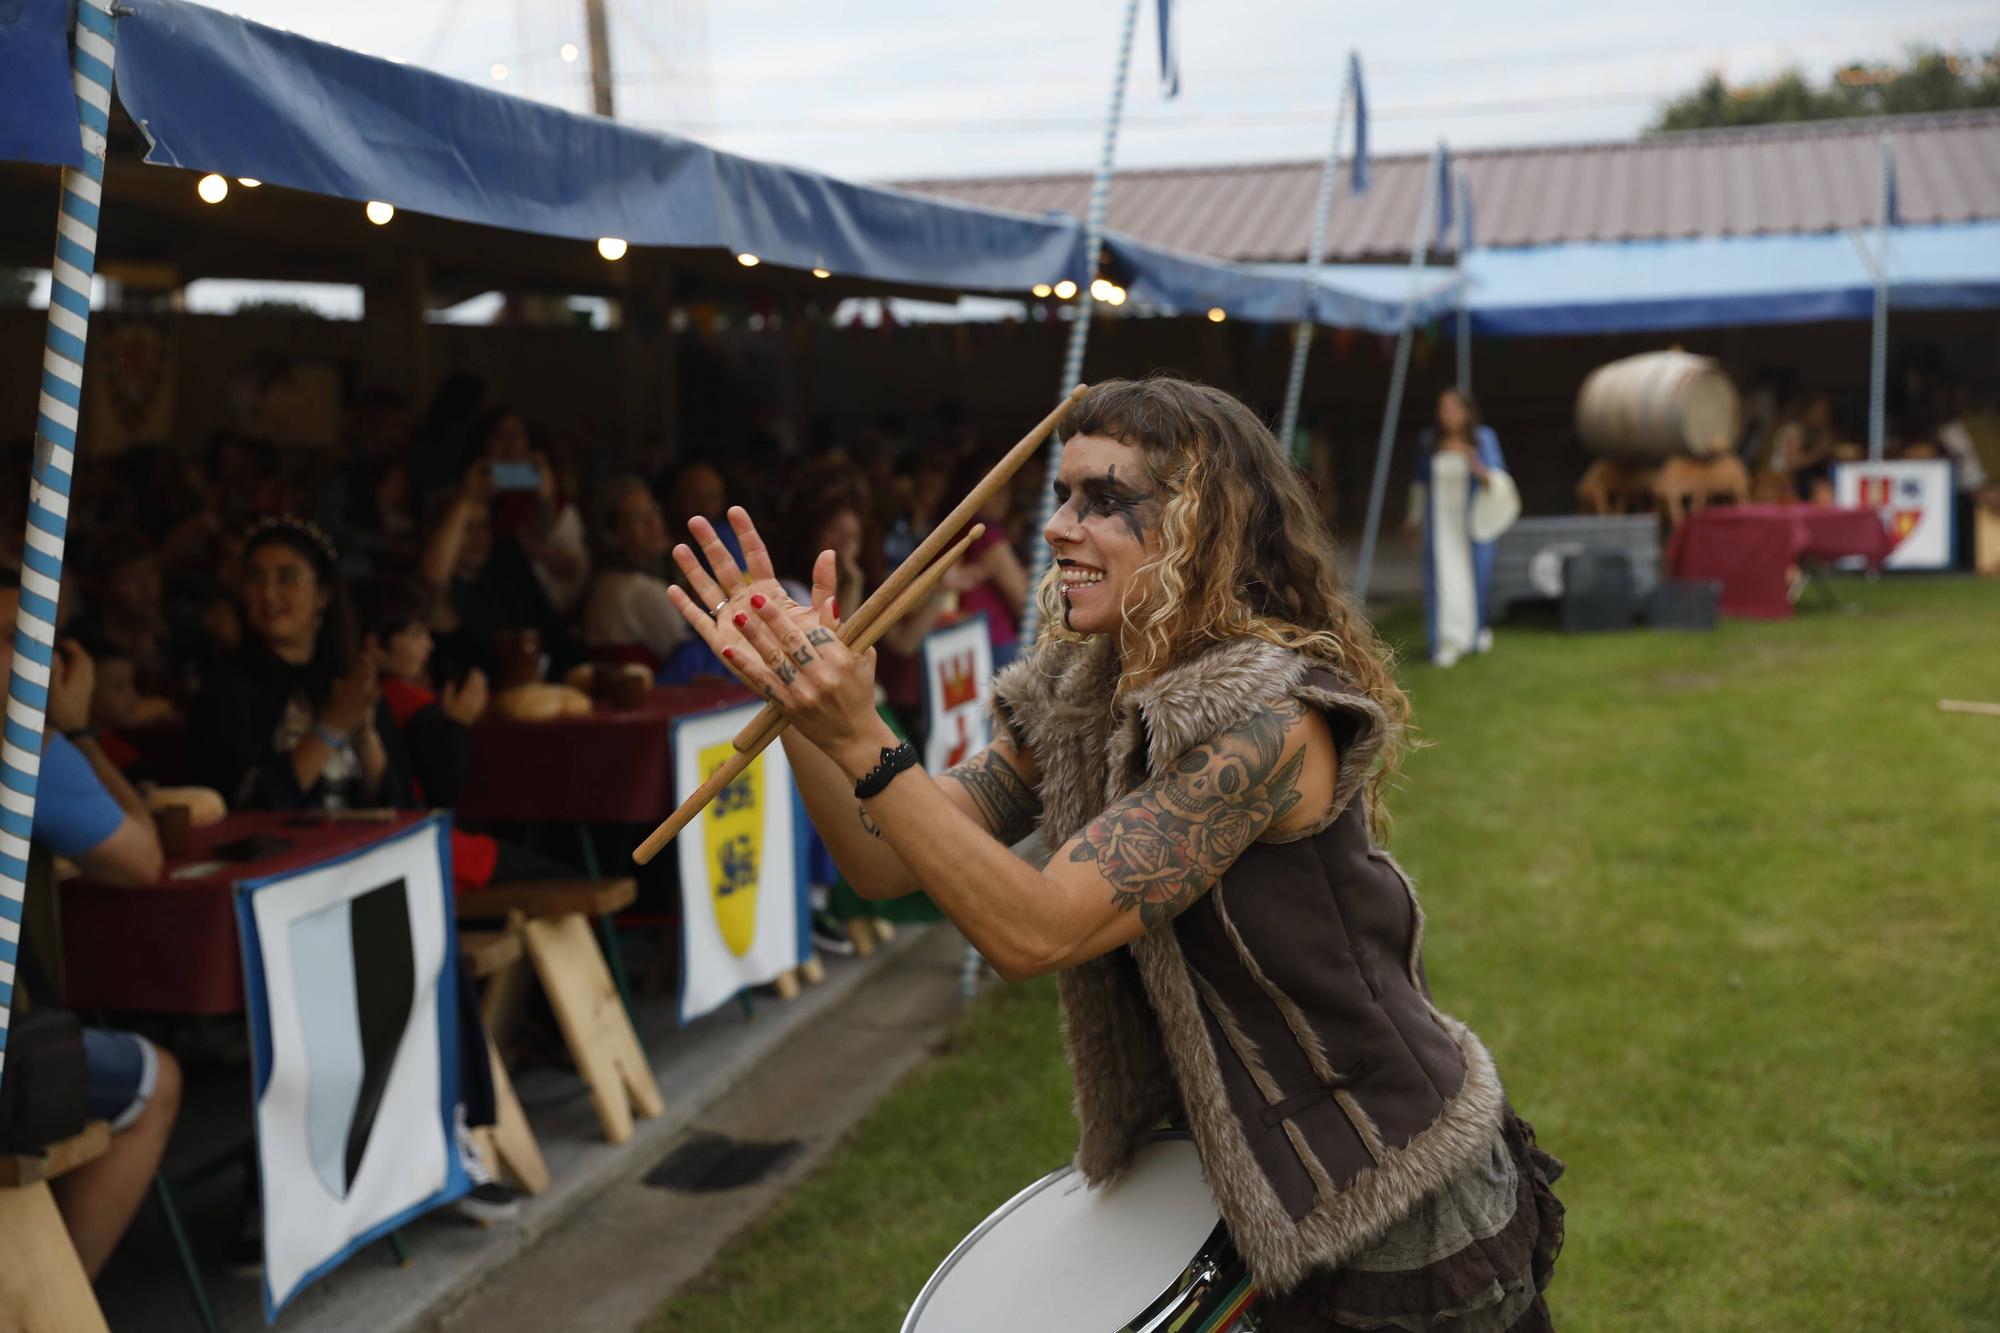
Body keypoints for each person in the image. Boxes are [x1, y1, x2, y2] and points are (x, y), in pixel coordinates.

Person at [666, 377, 1562, 1331]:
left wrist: (864, 741)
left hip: (1392, 1187)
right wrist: (802, 705)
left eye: (1105, 500)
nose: (1059, 527)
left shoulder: (1269, 719)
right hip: (1246, 1184)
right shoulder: (1079, 693)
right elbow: (892, 862)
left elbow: (1038, 928)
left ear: (1200, 526)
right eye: (1062, 494)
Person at [0, 575, 181, 1279]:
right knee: (156, 1078)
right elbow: (143, 861)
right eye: (16, 641)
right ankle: (52, 1305)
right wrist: (75, 728)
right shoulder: (28, 753)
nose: (29, 657)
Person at [1403, 387, 1511, 668]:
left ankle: (1472, 634)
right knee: (1441, 580)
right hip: (1439, 523)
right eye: (1442, 407)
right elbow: (1420, 484)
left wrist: (1473, 461)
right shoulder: (1430, 441)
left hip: (1470, 522)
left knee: (1474, 578)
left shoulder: (1484, 438)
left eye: (1452, 407)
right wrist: (1413, 519)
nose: (1446, 413)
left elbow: (1497, 479)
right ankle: (1444, 641)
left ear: (1466, 412)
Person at [579, 475, 688, 669]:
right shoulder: (638, 590)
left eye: (654, 510)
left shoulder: (603, 583)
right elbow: (686, 654)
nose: (654, 523)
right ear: (612, 534)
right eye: (638, 517)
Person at [942, 452, 1032, 669]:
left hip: (962, 643)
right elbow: (1023, 601)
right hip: (996, 642)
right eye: (997, 489)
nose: (1005, 497)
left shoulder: (953, 526)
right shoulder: (986, 533)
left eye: (1007, 489)